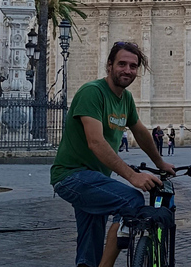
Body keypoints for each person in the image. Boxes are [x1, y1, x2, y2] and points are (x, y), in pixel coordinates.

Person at [51, 42, 175, 267]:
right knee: (131, 199)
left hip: (95, 180)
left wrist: (160, 162)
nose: (128, 70)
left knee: (90, 244)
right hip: (72, 177)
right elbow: (96, 142)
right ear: (109, 65)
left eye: (133, 66)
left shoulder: (125, 99)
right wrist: (132, 176)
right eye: (122, 64)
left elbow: (140, 131)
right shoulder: (93, 92)